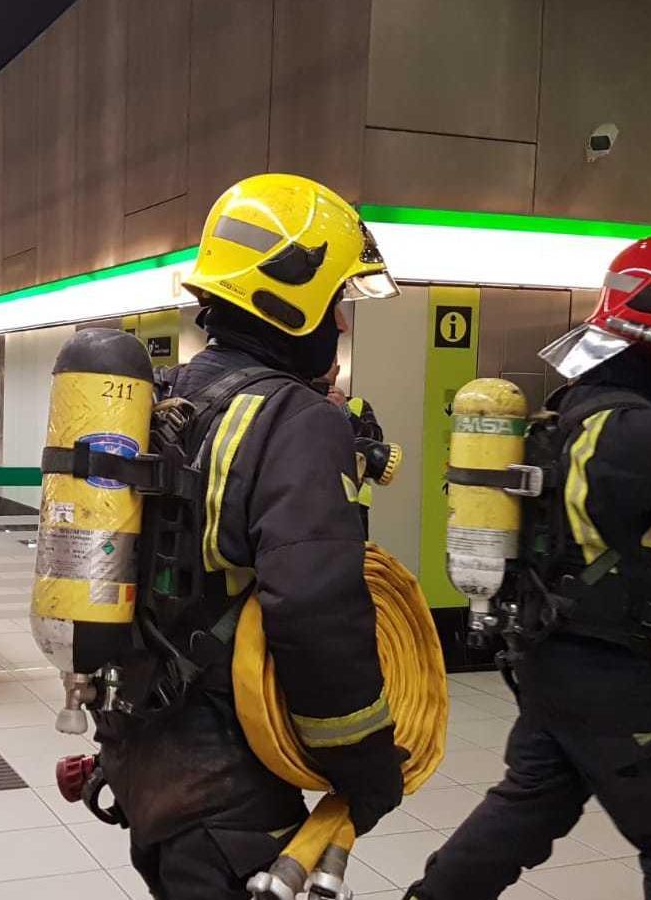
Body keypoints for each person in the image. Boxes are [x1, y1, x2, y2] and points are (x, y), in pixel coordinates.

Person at [405, 236, 651, 900]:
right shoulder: (639, 434)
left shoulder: (580, 410)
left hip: (555, 654)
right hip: (605, 671)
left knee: (531, 808)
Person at [95, 173, 407, 898]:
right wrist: (365, 764)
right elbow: (315, 609)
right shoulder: (297, 420)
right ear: (295, 302)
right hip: (230, 788)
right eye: (338, 302)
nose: (344, 323)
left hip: (145, 762)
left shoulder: (169, 398)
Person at [313, 361, 385, 534]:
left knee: (353, 559)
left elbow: (376, 442)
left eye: (330, 362)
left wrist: (346, 413)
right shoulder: (296, 401)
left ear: (337, 370)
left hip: (353, 504)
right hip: (309, 501)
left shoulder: (357, 405)